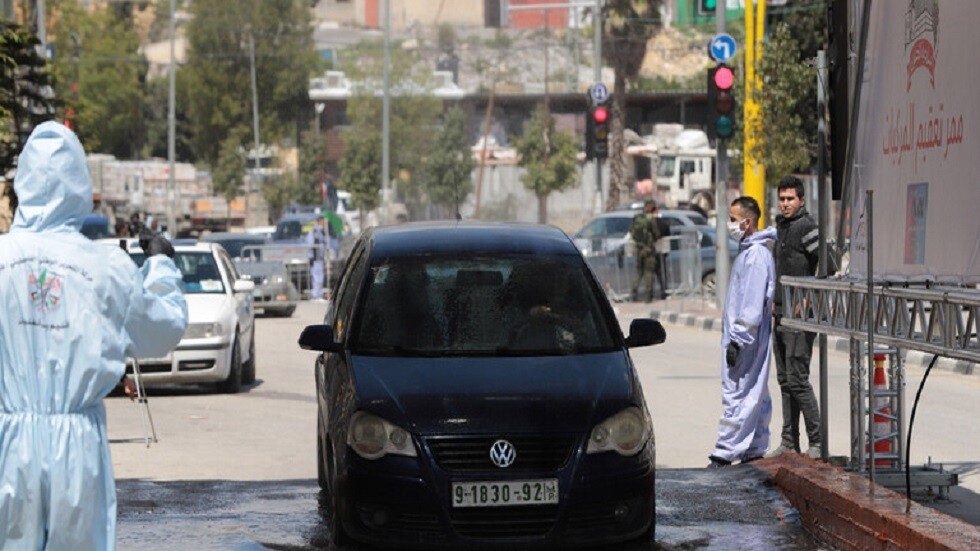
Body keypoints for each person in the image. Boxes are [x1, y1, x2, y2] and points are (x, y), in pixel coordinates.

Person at [0, 121, 188, 549]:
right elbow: (161, 330)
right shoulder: (106, 267)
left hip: (7, 444)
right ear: (79, 186)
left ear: (23, 182)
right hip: (75, 451)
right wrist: (160, 266)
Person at [708, 196, 777, 467]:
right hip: (745, 338)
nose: (730, 225)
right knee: (755, 390)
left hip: (746, 340)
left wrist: (738, 340)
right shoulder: (749, 252)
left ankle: (725, 451)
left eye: (733, 219)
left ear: (747, 222)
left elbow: (751, 303)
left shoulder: (756, 256)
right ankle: (755, 446)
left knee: (738, 392)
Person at [767, 176, 822, 459]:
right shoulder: (782, 227)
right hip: (780, 314)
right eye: (782, 199)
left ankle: (818, 442)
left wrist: (806, 296)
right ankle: (789, 441)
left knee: (798, 379)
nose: (785, 203)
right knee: (785, 381)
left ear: (801, 200)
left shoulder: (806, 227)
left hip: (801, 317)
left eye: (790, 199)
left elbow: (827, 263)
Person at [630, 199, 665, 302]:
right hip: (649, 250)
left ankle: (633, 294)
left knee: (639, 273)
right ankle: (648, 296)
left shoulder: (637, 217)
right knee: (649, 273)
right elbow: (657, 234)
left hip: (639, 249)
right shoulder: (650, 219)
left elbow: (631, 231)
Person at [307, 215, 327, 300]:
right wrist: (311, 257)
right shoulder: (314, 231)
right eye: (322, 221)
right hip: (315, 258)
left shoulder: (322, 231)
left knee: (320, 278)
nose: (324, 223)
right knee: (316, 278)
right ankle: (315, 295)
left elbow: (325, 243)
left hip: (320, 258)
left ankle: (318, 294)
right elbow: (311, 245)